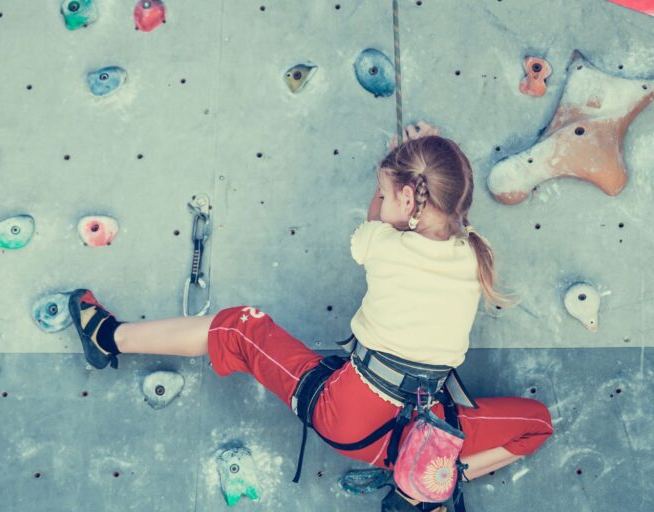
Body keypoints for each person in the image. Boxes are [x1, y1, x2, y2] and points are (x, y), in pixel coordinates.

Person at [68, 122, 554, 511]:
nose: (380, 200)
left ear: (407, 201)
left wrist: (397, 176)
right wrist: (420, 172)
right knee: (537, 425)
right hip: (425, 432)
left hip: (350, 417)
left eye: (386, 193)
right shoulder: (476, 250)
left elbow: (377, 223)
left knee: (241, 328)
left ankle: (107, 337)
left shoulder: (382, 245)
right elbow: (440, 214)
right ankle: (425, 484)